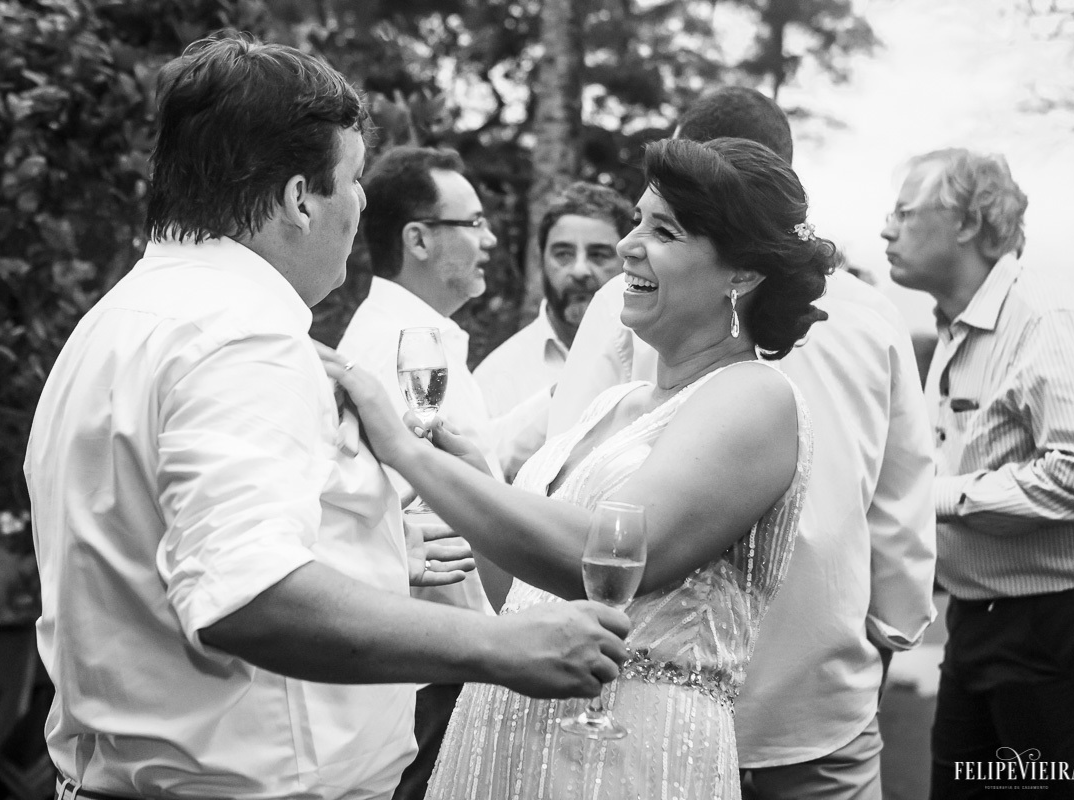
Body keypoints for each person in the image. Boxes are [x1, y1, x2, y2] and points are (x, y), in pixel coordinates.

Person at [24, 30, 629, 800]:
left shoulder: (119, 319)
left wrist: (363, 551)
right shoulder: (241, 336)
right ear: (298, 199)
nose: (363, 204)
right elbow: (247, 595)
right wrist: (502, 644)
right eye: (352, 181)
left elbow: (165, 543)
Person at [324, 136, 834, 799]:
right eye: (637, 222)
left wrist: (407, 452)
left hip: (627, 757)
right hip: (501, 734)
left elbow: (602, 559)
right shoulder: (612, 404)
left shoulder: (756, 397)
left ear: (741, 274)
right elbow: (519, 593)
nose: (628, 246)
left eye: (664, 231)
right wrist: (475, 473)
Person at [548, 86, 938, 799]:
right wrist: (889, 635)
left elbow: (568, 464)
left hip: (653, 685)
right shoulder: (874, 317)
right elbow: (902, 503)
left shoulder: (629, 297)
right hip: (821, 692)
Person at [882, 148, 1074, 798]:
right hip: (978, 625)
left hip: (1049, 636)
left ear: (968, 223)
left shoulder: (1046, 317)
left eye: (904, 212)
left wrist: (938, 497)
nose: (886, 228)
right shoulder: (952, 328)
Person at [336, 145, 502, 800]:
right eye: (476, 222)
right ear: (420, 239)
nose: (489, 239)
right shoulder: (400, 352)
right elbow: (377, 502)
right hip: (423, 677)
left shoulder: (419, 339)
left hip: (437, 664)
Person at [473, 182, 634, 480]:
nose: (580, 271)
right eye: (563, 254)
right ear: (541, 261)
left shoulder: (657, 357)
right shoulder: (496, 376)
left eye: (599, 255)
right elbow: (479, 476)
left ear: (629, 260)